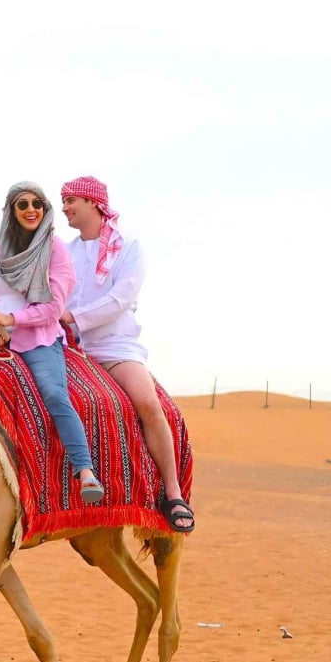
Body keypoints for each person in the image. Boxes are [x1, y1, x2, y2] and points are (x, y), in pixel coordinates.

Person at [59, 176, 193, 532]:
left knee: (148, 403)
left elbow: (122, 299)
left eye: (71, 200)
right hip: (69, 345)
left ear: (93, 203)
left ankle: (173, 491)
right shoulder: (65, 251)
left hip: (114, 345)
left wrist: (74, 317)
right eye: (63, 202)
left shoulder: (129, 247)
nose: (65, 208)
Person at [0, 181, 104, 503]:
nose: (31, 210)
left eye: (37, 204)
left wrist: (12, 320)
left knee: (54, 394)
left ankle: (84, 470)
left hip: (38, 341)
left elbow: (54, 308)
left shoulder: (55, 249)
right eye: (23, 204)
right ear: (11, 211)